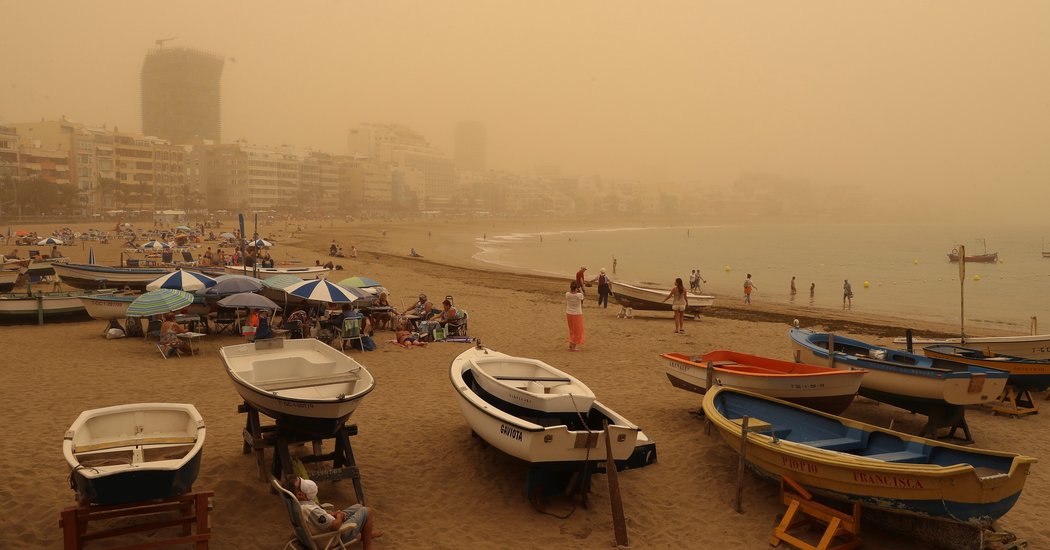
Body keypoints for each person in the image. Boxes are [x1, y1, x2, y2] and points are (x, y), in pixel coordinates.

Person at [284, 476, 381, 550]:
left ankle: (366, 535)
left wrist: (331, 514)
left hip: (318, 530)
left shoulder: (296, 504)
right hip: (332, 538)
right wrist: (340, 516)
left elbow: (316, 517)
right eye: (303, 484)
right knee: (367, 511)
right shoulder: (311, 511)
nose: (306, 484)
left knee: (358, 507)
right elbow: (335, 526)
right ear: (300, 495)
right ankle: (368, 546)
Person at [565, 280, 585, 351]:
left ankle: (571, 344)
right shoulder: (579, 295)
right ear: (576, 288)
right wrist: (580, 289)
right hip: (577, 314)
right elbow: (583, 296)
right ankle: (573, 346)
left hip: (569, 313)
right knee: (577, 331)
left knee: (572, 330)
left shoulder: (567, 294)